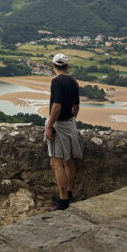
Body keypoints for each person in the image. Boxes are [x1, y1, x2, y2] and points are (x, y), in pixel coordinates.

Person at [45, 52, 83, 210]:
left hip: (59, 125)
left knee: (56, 162)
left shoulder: (56, 82)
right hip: (70, 124)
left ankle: (63, 201)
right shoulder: (73, 81)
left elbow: (56, 106)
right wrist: (71, 120)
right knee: (69, 161)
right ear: (66, 67)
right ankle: (69, 193)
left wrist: (49, 126)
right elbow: (76, 107)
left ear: (53, 65)